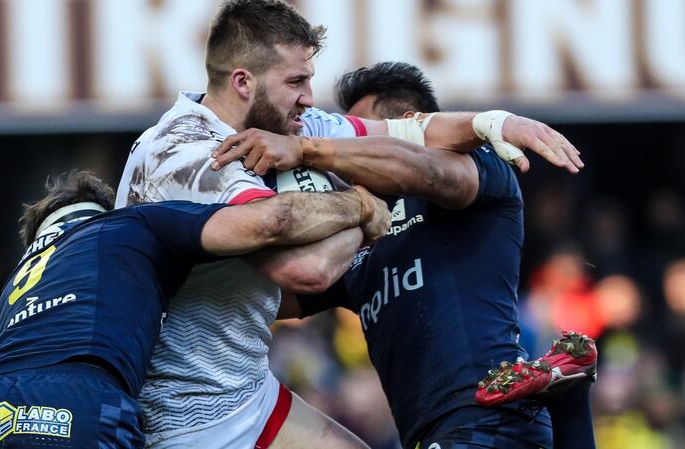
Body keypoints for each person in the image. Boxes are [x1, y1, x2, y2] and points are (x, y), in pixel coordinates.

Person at [116, 1, 582, 447]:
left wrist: (494, 123)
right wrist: (362, 206)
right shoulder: (190, 151)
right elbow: (304, 277)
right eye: (296, 81)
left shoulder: (469, 171)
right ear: (242, 82)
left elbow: (421, 149)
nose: (308, 99)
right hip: (181, 405)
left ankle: (573, 403)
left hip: (474, 412)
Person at [210, 61, 592, 449]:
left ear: (408, 125)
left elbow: (427, 170)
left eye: (359, 135)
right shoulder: (359, 235)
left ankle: (571, 401)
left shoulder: (479, 169)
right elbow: (267, 294)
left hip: (488, 411)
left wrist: (306, 149)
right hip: (434, 433)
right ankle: (572, 404)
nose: (346, 151)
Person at [0, 170, 391, 449]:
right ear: (100, 214)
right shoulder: (127, 226)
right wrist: (361, 204)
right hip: (76, 403)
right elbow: (273, 223)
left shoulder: (16, 286)